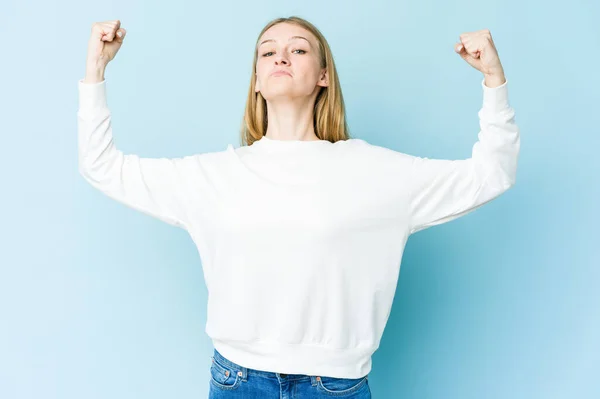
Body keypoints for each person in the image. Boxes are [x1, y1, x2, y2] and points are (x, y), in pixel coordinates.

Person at [77, 16, 520, 398]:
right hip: (237, 380)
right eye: (267, 52)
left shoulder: (376, 171)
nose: (280, 58)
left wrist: (494, 81)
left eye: (298, 49)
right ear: (256, 80)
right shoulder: (214, 175)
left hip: (335, 385)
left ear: (323, 75)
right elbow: (102, 166)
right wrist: (95, 68)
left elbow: (491, 173)